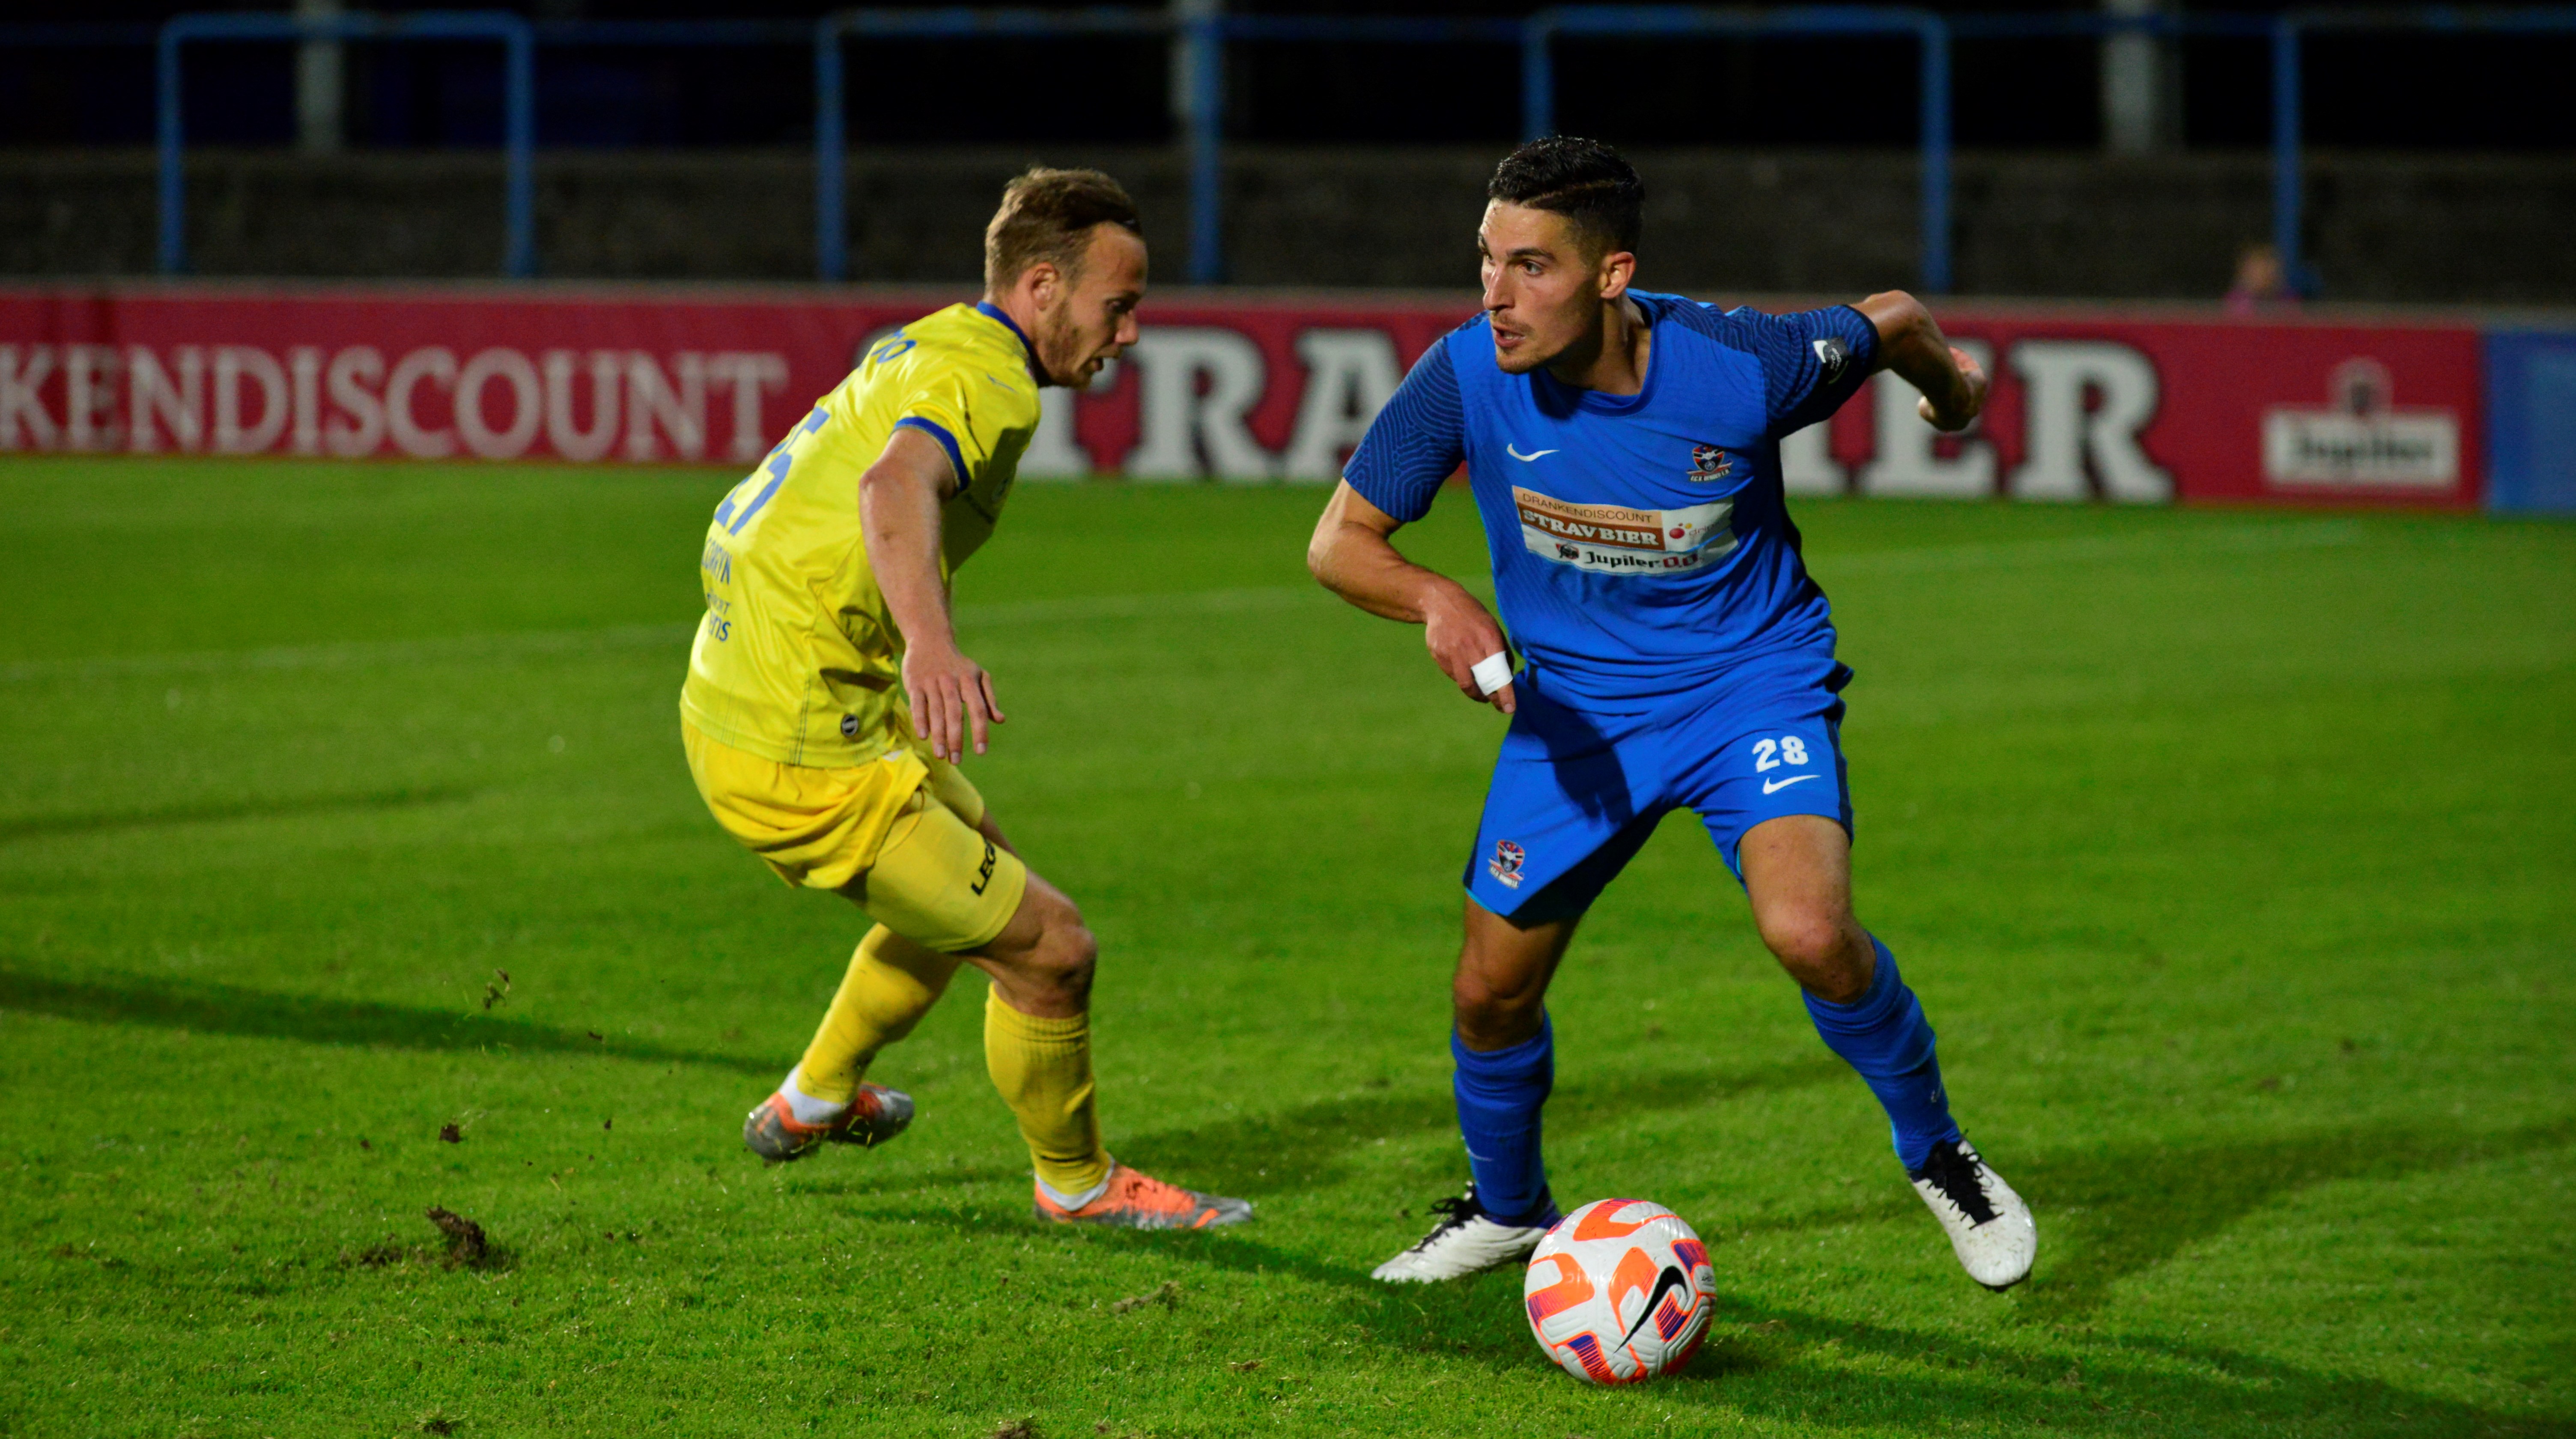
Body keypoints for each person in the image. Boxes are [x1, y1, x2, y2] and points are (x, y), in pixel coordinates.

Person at [1306, 137, 2035, 1288]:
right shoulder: (1461, 375)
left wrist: (1952, 389)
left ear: (1611, 275)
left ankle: (1938, 1150)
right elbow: (1337, 543)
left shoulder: (1743, 364)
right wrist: (1436, 600)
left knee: (1808, 934)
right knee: (1488, 992)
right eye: (1486, 262)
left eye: (1531, 267)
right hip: (1578, 718)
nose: (1496, 295)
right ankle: (1507, 1211)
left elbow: (1889, 318)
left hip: (1751, 688)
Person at [680, 167, 1250, 1231]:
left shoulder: (944, 337)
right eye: (1114, 306)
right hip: (802, 744)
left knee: (973, 853)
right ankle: (1077, 1187)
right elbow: (889, 484)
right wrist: (930, 648)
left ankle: (813, 1098)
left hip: (756, 691)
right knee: (1049, 948)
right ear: (1041, 286)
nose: (1127, 335)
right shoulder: (991, 382)